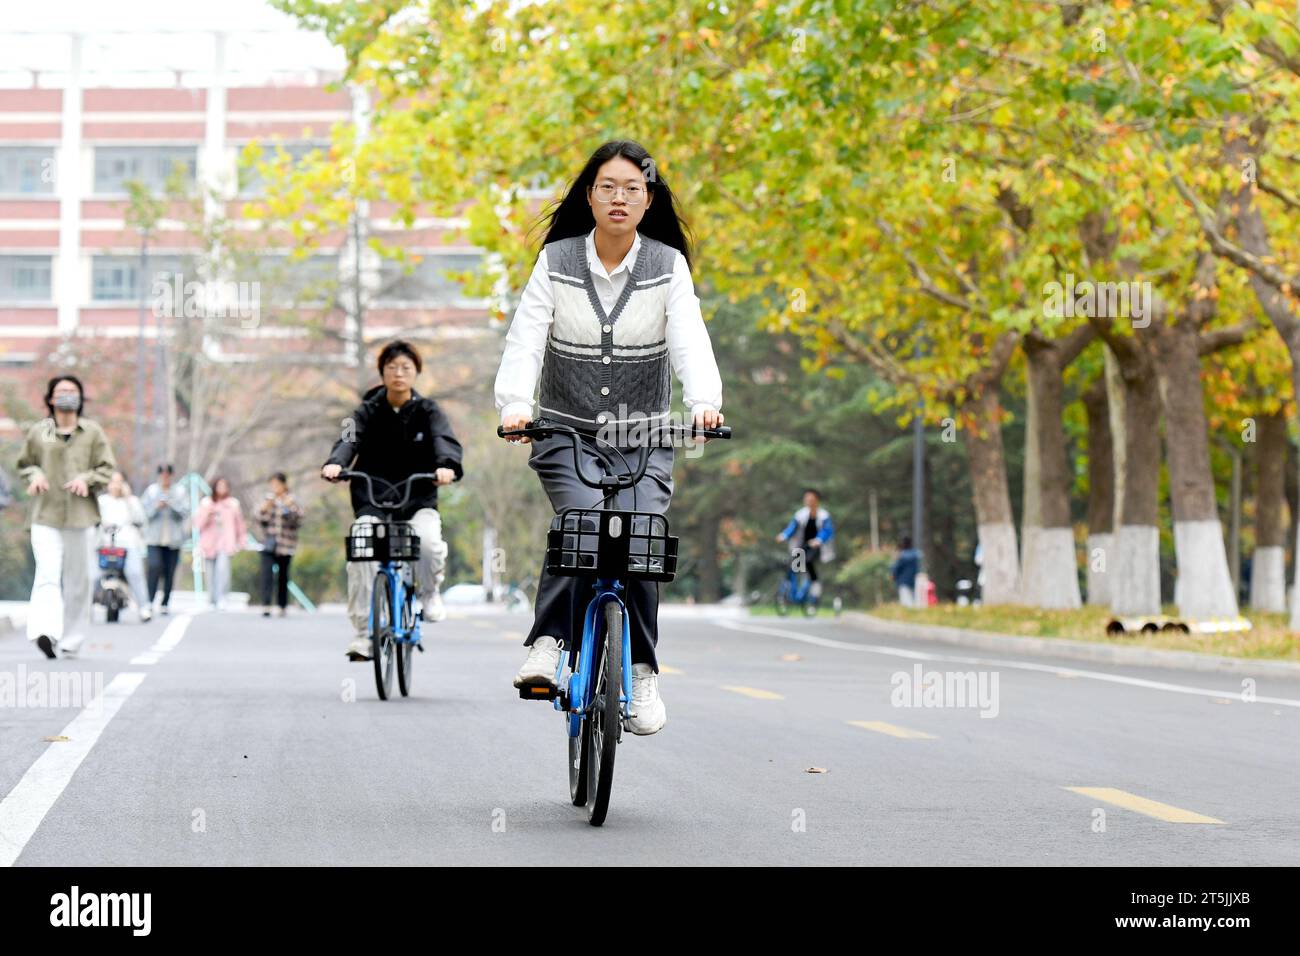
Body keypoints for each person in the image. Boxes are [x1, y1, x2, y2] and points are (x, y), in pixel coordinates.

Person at [495, 140, 724, 736]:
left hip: (644, 438)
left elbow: (690, 341)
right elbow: (526, 338)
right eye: (607, 187)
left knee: (641, 539)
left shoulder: (668, 266)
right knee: (583, 527)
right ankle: (547, 643)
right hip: (565, 434)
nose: (619, 198)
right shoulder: (556, 260)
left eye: (632, 188)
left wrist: (703, 403)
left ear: (648, 201)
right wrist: (517, 406)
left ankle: (643, 672)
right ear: (589, 196)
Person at [322, 340, 463, 661]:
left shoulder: (429, 411)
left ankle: (428, 594)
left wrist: (446, 467)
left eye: (406, 368)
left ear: (416, 373)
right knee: (361, 547)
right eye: (391, 368)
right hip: (372, 498)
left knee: (427, 543)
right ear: (382, 373)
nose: (398, 374)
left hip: (418, 498)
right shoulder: (366, 411)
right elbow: (347, 440)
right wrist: (336, 463)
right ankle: (362, 634)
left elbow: (445, 441)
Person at [15, 375, 116, 659]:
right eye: (61, 391)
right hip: (45, 514)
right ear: (50, 399)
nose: (67, 395)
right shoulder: (41, 431)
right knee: (47, 573)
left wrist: (87, 478)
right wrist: (35, 475)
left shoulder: (93, 432)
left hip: (81, 517)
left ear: (81, 398)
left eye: (73, 391)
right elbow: (26, 463)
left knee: (77, 579)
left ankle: (72, 638)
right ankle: (45, 632)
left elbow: (106, 467)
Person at [95, 471, 151, 622]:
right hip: (105, 544)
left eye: (119, 482)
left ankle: (144, 607)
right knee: (94, 575)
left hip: (128, 544)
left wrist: (127, 498)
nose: (116, 485)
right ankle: (86, 611)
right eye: (113, 482)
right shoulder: (102, 501)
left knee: (135, 573)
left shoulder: (132, 501)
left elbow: (141, 520)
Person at [141, 463, 189, 616]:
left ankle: (165, 602)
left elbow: (185, 512)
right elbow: (143, 514)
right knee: (154, 567)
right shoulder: (151, 491)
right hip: (154, 539)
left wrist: (171, 504)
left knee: (170, 571)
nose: (165, 478)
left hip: (173, 540)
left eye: (167, 475)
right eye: (162, 475)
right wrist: (157, 506)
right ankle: (149, 600)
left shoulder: (180, 492)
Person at [255, 472, 303, 617]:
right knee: (266, 575)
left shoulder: (292, 500)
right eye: (272, 484)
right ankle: (266, 604)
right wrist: (265, 509)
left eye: (277, 484)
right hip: (268, 543)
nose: (275, 487)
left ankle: (282, 605)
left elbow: (298, 520)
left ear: (284, 484)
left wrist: (287, 509)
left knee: (283, 576)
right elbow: (259, 519)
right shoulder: (267, 500)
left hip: (286, 544)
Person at [775, 488, 835, 599]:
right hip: (801, 545)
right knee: (795, 568)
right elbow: (792, 527)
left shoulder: (823, 515)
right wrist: (784, 535)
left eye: (811, 499)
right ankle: (794, 592)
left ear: (817, 500)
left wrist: (818, 539)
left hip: (817, 546)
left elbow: (827, 531)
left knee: (808, 561)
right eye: (807, 499)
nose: (808, 501)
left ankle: (815, 583)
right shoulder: (800, 514)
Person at [195, 477, 245, 610]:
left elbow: (239, 524)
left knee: (222, 570)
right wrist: (208, 513)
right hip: (209, 543)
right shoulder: (206, 503)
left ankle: (222, 597)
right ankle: (211, 599)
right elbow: (198, 524)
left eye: (224, 485)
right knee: (210, 572)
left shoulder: (233, 504)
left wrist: (241, 541)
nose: (222, 488)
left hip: (226, 542)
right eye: (219, 485)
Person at [891, 536, 921, 607]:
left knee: (906, 602)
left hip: (903, 581)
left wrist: (893, 574)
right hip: (916, 580)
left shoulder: (901, 556)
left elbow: (896, 568)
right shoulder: (917, 554)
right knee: (916, 601)